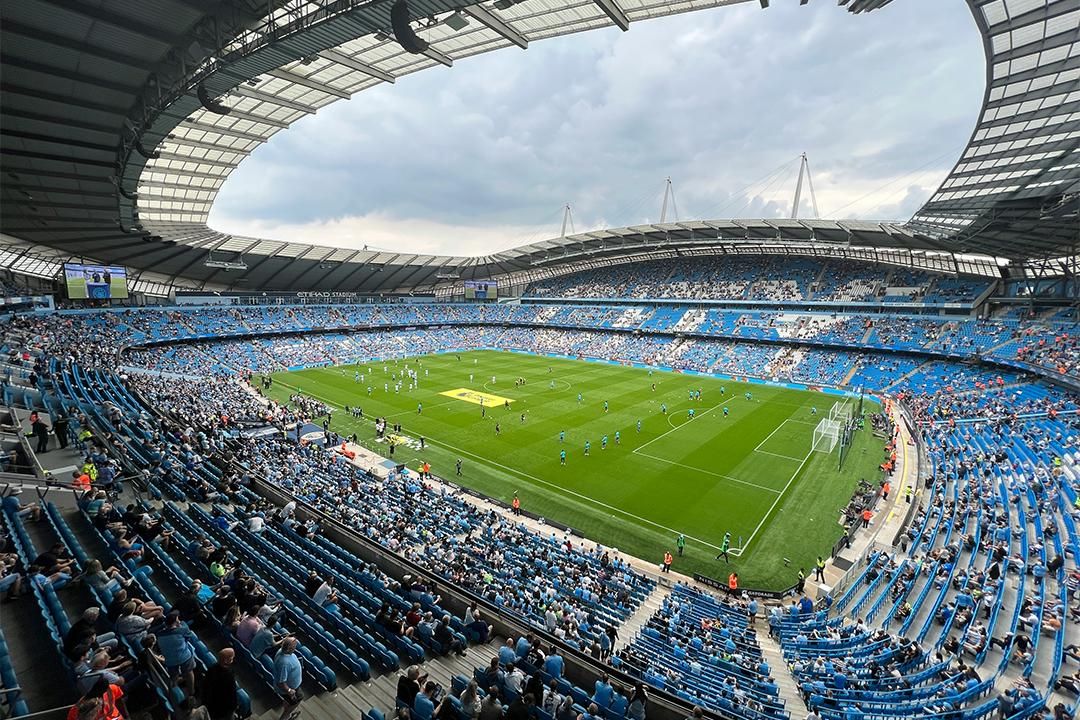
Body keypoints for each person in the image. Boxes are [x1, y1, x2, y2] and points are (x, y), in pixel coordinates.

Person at [201, 648, 239, 720]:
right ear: (226, 661)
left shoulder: (212, 668)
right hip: (222, 708)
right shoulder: (229, 675)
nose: (233, 659)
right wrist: (234, 707)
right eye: (231, 658)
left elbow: (205, 685)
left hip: (210, 704)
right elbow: (232, 694)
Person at [274, 637, 303, 720]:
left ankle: (288, 711)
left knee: (289, 702)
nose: (296, 647)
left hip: (291, 686)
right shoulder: (284, 663)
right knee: (298, 699)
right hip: (290, 689)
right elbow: (281, 682)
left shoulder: (281, 651)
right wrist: (289, 691)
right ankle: (286, 716)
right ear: (289, 648)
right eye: (294, 646)